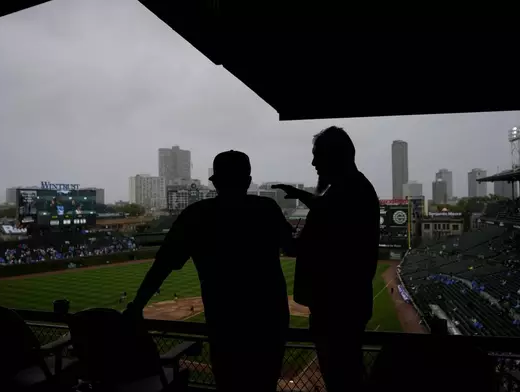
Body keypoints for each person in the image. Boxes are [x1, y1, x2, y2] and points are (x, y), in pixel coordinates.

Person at [126, 150, 294, 392]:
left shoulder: (196, 214)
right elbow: (292, 246)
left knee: (228, 383)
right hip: (269, 321)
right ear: (247, 181)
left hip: (224, 322)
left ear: (215, 182)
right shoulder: (266, 208)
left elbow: (161, 265)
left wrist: (137, 306)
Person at [272, 126, 380, 391]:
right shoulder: (354, 187)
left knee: (341, 377)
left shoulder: (347, 192)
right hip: (346, 305)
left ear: (336, 156)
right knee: (347, 374)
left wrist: (278, 228)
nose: (313, 162)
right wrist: (300, 195)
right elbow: (327, 207)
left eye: (317, 155)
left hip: (335, 309)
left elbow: (300, 245)